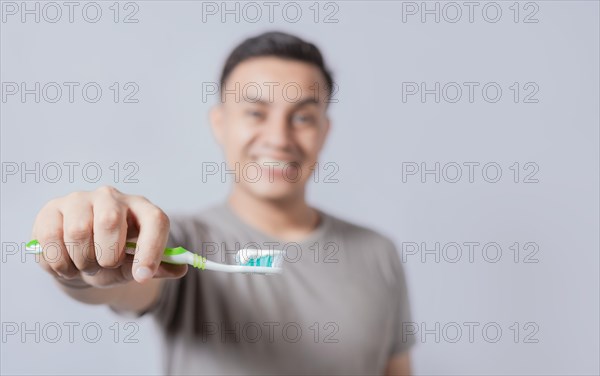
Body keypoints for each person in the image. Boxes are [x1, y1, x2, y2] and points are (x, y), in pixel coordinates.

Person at [31, 31, 415, 375]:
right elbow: (114, 286)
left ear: (324, 131)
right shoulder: (177, 242)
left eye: (302, 117)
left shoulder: (378, 253)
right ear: (220, 124)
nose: (279, 138)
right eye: (255, 112)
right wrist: (85, 269)